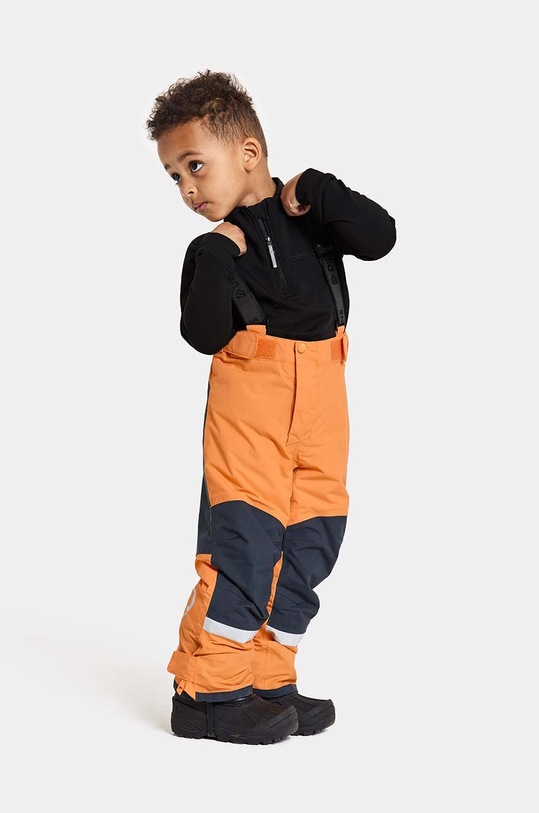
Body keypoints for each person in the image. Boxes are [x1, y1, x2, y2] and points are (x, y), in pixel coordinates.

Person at [145, 69, 396, 745]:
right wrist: (215, 256)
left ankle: (266, 676)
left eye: (194, 165)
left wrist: (321, 188)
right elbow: (203, 334)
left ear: (249, 152)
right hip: (250, 404)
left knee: (313, 538)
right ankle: (208, 694)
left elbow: (381, 237)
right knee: (245, 539)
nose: (187, 188)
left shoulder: (312, 216)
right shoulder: (214, 247)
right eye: (174, 176)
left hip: (323, 397)